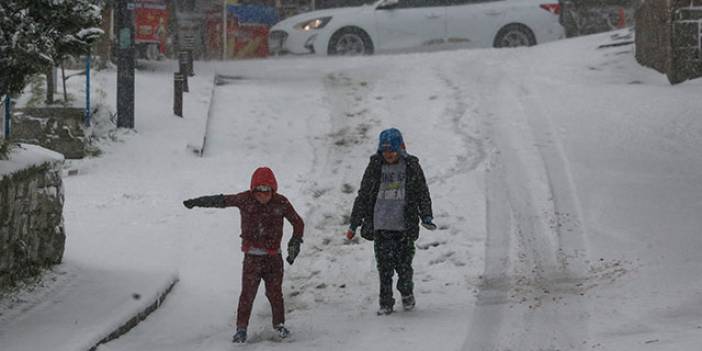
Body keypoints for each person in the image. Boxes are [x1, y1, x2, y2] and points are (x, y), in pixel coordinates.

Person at [183, 167, 304, 343]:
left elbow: (298, 223)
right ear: (253, 190)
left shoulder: (281, 202)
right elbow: (222, 200)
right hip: (252, 259)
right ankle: (241, 329)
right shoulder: (244, 199)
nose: (263, 194)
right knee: (247, 294)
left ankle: (279, 325)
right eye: (259, 190)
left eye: (267, 190)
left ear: (273, 189)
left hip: (273, 259)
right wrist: (197, 202)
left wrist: (295, 243)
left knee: (275, 293)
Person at [346, 128, 437, 316]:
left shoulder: (411, 166)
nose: (389, 155)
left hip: (404, 227)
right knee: (384, 268)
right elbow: (363, 195)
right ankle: (385, 302)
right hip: (381, 227)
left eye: (392, 151)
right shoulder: (375, 166)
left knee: (404, 267)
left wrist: (426, 215)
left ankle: (406, 292)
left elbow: (422, 193)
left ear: (400, 149)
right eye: (385, 151)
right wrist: (354, 223)